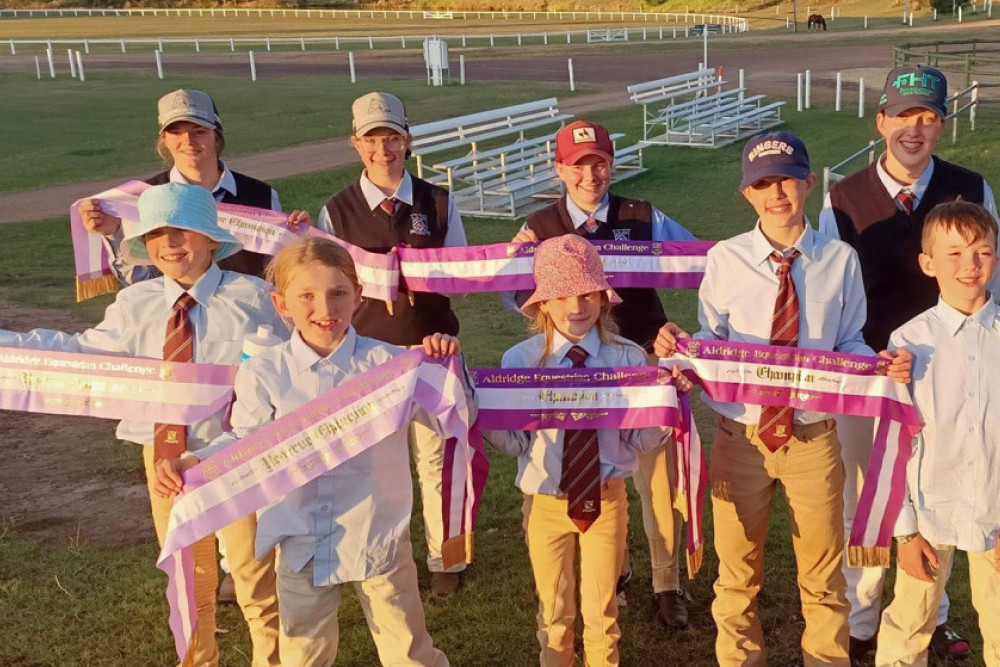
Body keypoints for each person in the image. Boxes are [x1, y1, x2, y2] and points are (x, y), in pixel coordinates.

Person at [654, 132, 911, 666]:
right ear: (747, 194)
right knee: (737, 572)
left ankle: (826, 659)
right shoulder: (725, 259)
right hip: (740, 435)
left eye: (787, 180)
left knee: (822, 573)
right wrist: (685, 358)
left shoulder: (838, 259)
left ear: (809, 184)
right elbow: (715, 343)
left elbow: (849, 340)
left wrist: (875, 365)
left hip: (814, 437)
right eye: (763, 184)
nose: (777, 194)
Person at [0, 183, 282, 667]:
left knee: (255, 575)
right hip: (164, 461)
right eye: (157, 235)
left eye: (183, 231)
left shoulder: (254, 298)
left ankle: (273, 660)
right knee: (188, 577)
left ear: (212, 239)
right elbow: (84, 352)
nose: (171, 244)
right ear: (144, 245)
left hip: (235, 458)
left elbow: (291, 367)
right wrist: (9, 345)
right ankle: (200, 659)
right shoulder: (137, 303)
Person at [156, 237, 463, 666]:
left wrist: (446, 367)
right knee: (303, 654)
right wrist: (195, 462)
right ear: (281, 304)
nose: (325, 309)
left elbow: (449, 419)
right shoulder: (264, 370)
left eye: (338, 293)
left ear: (358, 296)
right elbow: (247, 439)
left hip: (376, 534)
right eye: (307, 296)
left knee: (408, 651)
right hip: (300, 537)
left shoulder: (391, 365)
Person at [819, 64, 998, 662]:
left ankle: (934, 611)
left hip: (958, 371)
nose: (913, 130)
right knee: (872, 495)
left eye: (926, 118)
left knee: (949, 477)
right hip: (872, 374)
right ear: (881, 121)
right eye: (902, 116)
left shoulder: (971, 186)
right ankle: (865, 614)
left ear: (942, 124)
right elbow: (828, 290)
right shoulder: (843, 198)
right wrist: (863, 366)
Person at [510, 120, 697, 627]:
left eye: (598, 162)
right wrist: (517, 257)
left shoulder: (641, 215)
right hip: (569, 367)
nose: (589, 174)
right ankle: (614, 569)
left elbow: (697, 261)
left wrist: (674, 334)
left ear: (611, 164)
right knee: (587, 464)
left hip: (637, 355)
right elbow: (515, 297)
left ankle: (666, 581)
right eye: (577, 164)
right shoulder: (541, 224)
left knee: (655, 479)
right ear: (559, 168)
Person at [484, 234, 686, 667]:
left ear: (603, 297)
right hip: (544, 504)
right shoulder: (519, 362)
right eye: (561, 296)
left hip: (606, 500)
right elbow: (516, 441)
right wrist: (479, 413)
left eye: (586, 293)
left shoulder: (628, 359)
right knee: (554, 612)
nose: (576, 307)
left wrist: (666, 408)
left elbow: (639, 439)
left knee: (603, 612)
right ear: (542, 304)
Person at [317, 92, 469, 596]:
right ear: (355, 144)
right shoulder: (335, 210)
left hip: (433, 352)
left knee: (437, 460)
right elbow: (326, 286)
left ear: (408, 139)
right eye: (372, 139)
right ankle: (380, 553)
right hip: (365, 358)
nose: (383, 150)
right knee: (376, 464)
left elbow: (461, 273)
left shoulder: (439, 201)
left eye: (393, 138)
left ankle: (445, 558)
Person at [873, 201, 1000, 667]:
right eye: (954, 254)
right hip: (930, 508)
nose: (969, 266)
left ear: (997, 257)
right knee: (910, 622)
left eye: (982, 252)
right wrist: (904, 532)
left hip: (995, 506)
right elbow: (892, 440)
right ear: (928, 263)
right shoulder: (907, 343)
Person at [79, 88, 311, 284]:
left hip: (245, 317)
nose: (188, 141)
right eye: (176, 132)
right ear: (164, 140)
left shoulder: (261, 194)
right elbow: (140, 280)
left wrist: (296, 240)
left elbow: (277, 272)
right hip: (177, 322)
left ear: (216, 136)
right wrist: (113, 234)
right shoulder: (145, 197)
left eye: (199, 132)